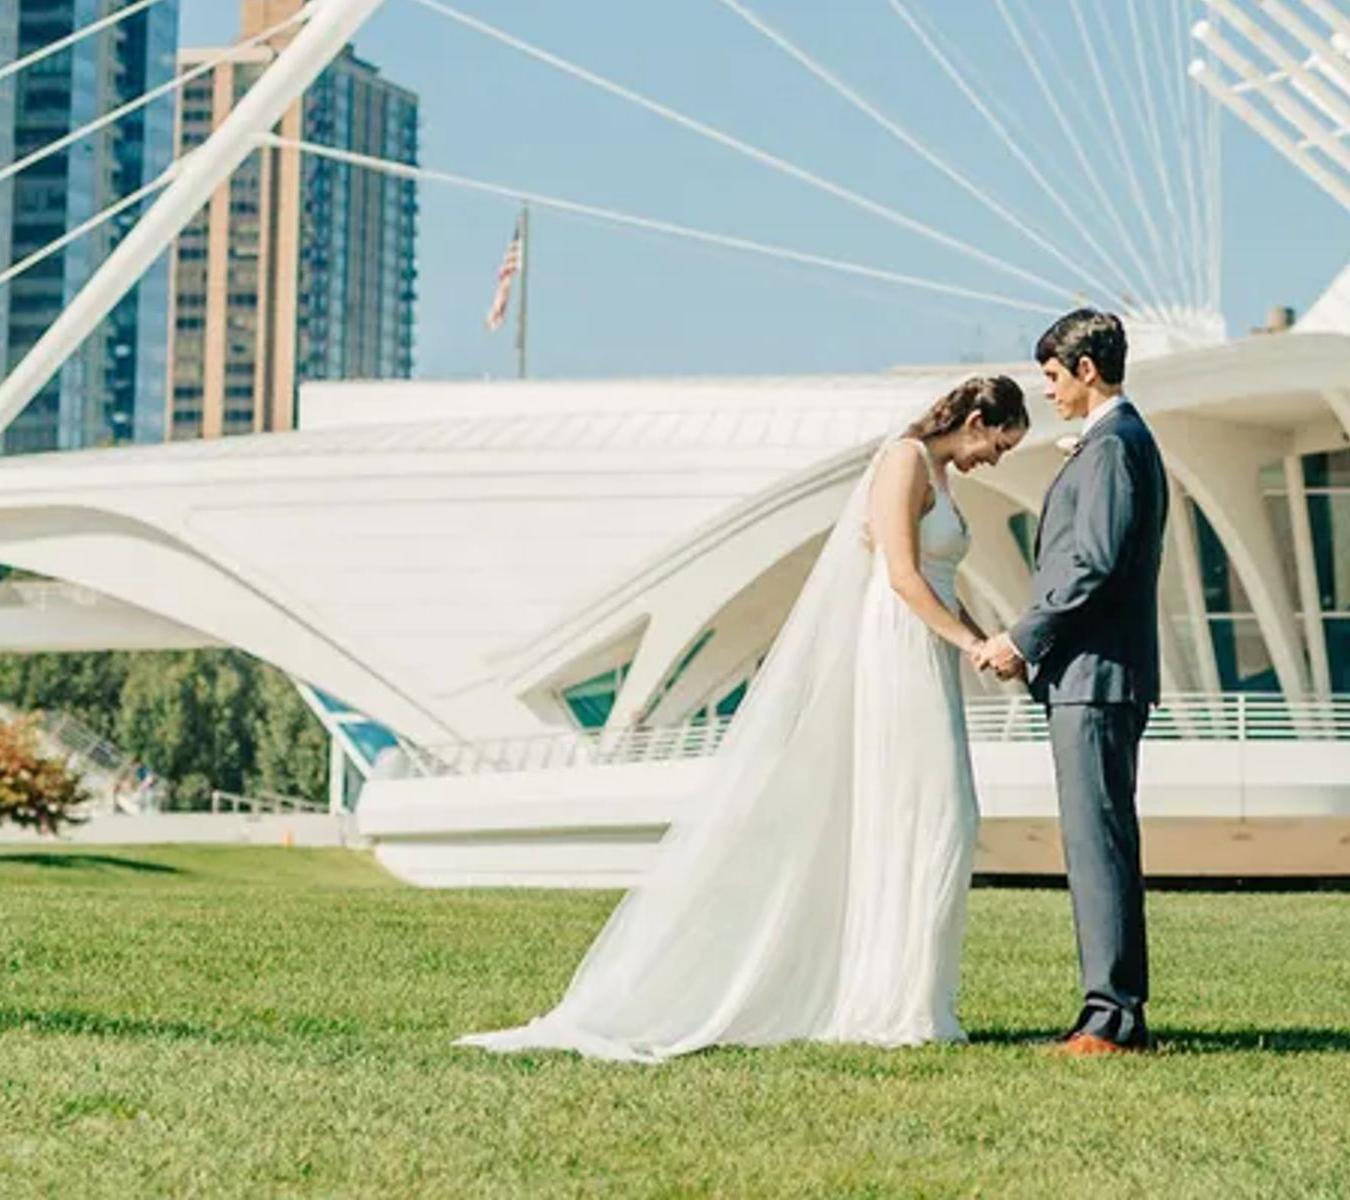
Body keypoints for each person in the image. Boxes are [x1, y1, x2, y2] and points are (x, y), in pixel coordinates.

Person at [461, 373, 1030, 1061]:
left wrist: (986, 640)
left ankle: (914, 994)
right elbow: (903, 576)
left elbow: (941, 582)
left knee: (943, 815)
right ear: (973, 417)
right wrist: (970, 641)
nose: (992, 461)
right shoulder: (903, 460)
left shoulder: (940, 475)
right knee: (925, 811)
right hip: (898, 647)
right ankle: (888, 1002)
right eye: (996, 445)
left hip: (931, 653)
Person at [968, 307, 1167, 1054]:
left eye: (1052, 375)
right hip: (1093, 673)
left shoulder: (1114, 447)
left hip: (1096, 675)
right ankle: (1113, 1012)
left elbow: (1093, 562)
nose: (1047, 390)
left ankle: (1111, 1018)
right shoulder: (1112, 444)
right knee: (1099, 841)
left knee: (1098, 843)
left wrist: (1023, 639)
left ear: (1087, 371)